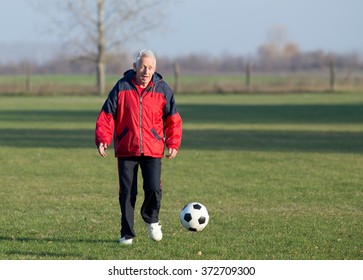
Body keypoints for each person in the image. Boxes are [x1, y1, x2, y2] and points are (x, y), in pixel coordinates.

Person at [95, 49, 182, 245]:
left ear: (155, 69)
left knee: (153, 189)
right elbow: (106, 116)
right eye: (142, 66)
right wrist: (103, 139)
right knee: (127, 193)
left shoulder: (163, 89)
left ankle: (152, 219)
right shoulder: (121, 86)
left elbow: (173, 120)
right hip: (127, 148)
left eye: (150, 67)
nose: (146, 71)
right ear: (134, 67)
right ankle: (126, 233)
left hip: (153, 148)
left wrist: (173, 142)